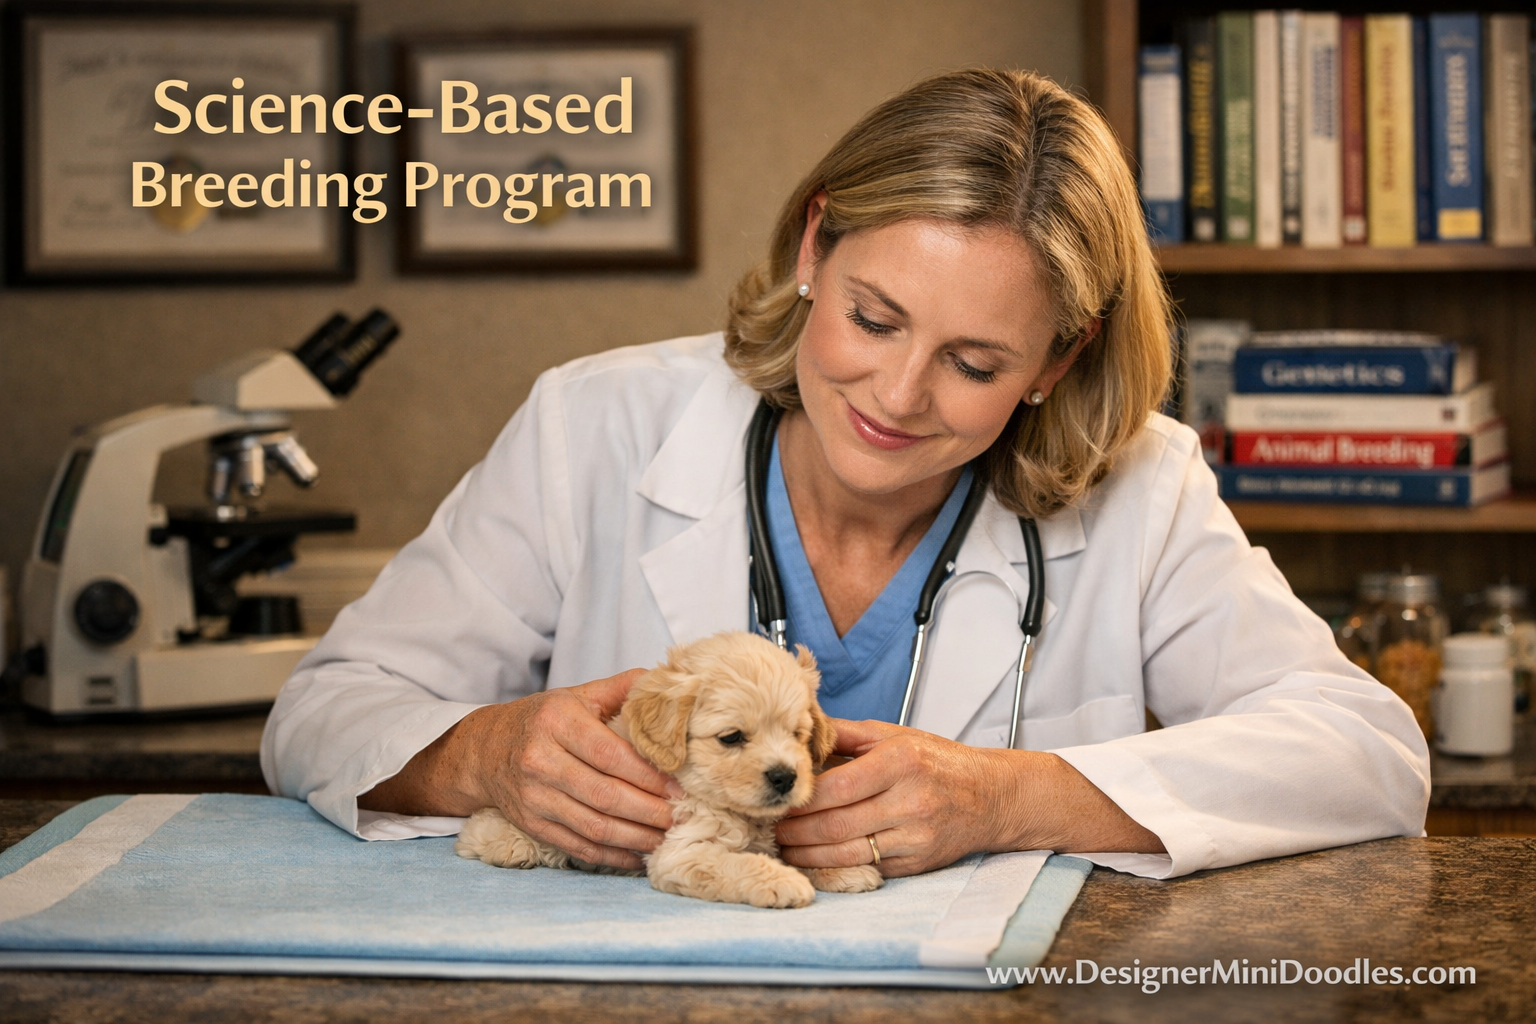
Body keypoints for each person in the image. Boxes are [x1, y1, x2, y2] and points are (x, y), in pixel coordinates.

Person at [262, 68, 1429, 880]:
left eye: (974, 361)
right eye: (874, 318)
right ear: (815, 248)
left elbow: (1365, 754)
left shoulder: (1147, 487)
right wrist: (483, 756)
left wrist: (1011, 796)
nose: (899, 394)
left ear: (1056, 359)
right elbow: (322, 711)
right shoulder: (597, 422)